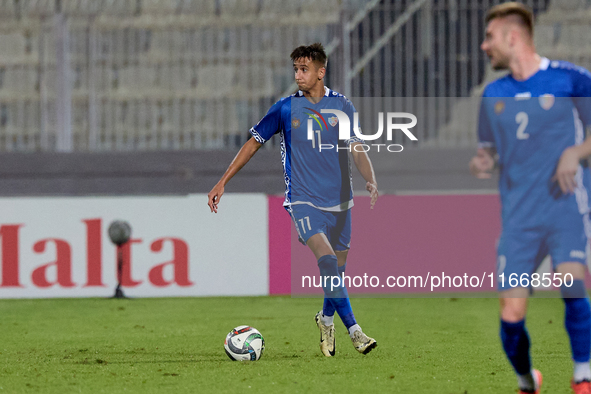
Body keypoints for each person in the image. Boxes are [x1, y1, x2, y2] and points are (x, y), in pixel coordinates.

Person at [207, 43, 379, 356]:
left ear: (320, 72)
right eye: (295, 70)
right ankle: (356, 331)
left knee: (336, 273)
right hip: (302, 200)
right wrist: (222, 181)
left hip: (340, 202)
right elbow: (253, 144)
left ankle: (326, 319)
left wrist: (370, 178)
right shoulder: (285, 109)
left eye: (304, 69)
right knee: (326, 260)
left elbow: (355, 146)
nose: (298, 75)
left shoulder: (342, 106)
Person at [470, 3, 591, 393]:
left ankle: (583, 377)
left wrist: (574, 153)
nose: (484, 46)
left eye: (490, 37)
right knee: (511, 315)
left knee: (571, 282)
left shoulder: (571, 80)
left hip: (564, 207)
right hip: (519, 221)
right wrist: (483, 160)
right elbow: (488, 149)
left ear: (512, 36)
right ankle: (527, 381)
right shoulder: (493, 95)